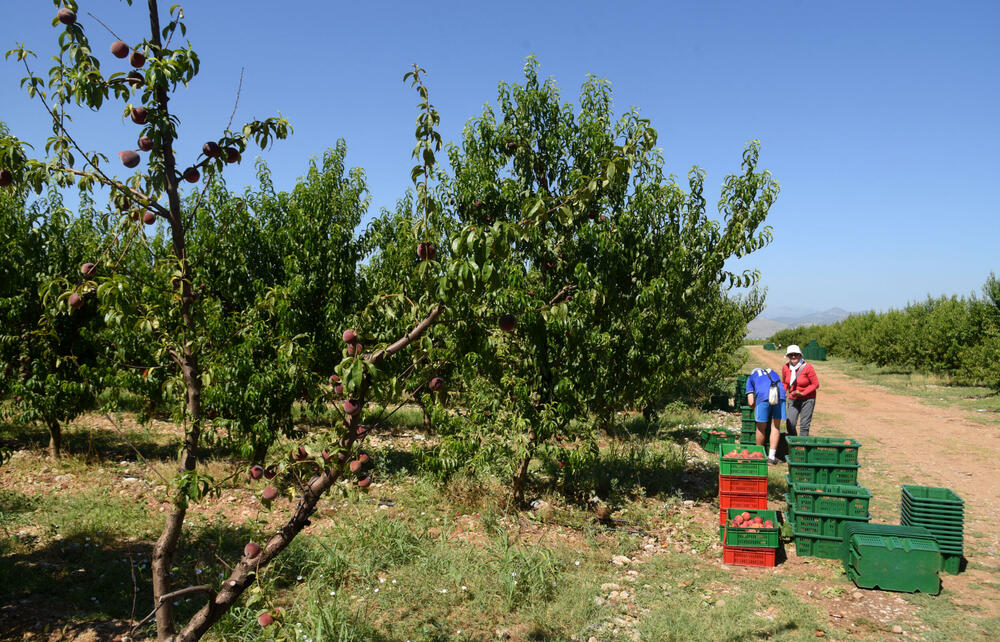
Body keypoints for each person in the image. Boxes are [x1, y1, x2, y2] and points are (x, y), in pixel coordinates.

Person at [745, 366, 787, 465]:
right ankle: (771, 457)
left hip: (764, 396)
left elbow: (751, 402)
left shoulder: (751, 378)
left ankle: (758, 454)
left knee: (761, 428)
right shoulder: (772, 372)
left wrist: (757, 410)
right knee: (776, 426)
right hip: (780, 394)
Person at [781, 344, 819, 437]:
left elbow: (815, 384)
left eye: (796, 354)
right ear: (788, 356)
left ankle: (802, 445)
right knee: (790, 423)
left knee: (804, 425)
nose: (793, 356)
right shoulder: (785, 368)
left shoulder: (807, 367)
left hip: (808, 399)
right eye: (790, 355)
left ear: (800, 355)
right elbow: (785, 382)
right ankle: (794, 443)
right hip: (793, 399)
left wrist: (802, 393)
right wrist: (782, 393)